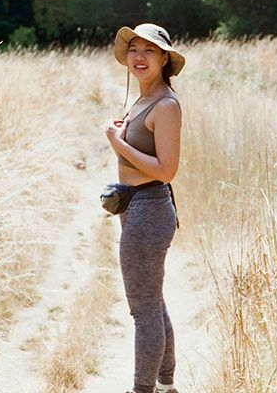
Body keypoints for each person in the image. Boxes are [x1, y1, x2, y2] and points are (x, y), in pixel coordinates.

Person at [106, 23, 185, 393]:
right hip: (137, 209)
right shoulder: (144, 98)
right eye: (134, 49)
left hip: (150, 211)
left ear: (164, 58)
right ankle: (166, 384)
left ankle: (143, 390)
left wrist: (117, 144)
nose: (139, 56)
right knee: (153, 301)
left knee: (143, 310)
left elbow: (167, 170)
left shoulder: (166, 105)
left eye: (149, 50)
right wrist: (121, 133)